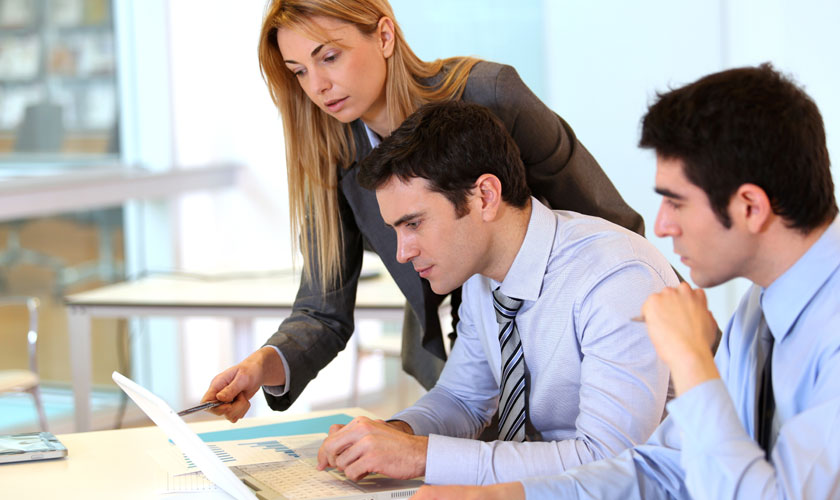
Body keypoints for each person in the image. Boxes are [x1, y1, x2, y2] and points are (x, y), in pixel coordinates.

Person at [202, 0, 645, 421]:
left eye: (330, 57)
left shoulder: (491, 95)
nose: (317, 87)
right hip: (453, 376)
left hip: (561, 352)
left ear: (385, 35)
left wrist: (673, 342)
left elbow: (612, 228)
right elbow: (323, 310)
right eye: (299, 71)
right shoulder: (331, 149)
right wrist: (263, 365)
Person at [413, 64, 840, 499]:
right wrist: (503, 496)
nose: (662, 224)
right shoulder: (759, 309)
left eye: (676, 203)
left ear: (750, 206)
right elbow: (665, 466)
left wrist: (692, 361)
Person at [312, 100, 676, 485]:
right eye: (396, 231)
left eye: (414, 224)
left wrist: (421, 456)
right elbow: (462, 400)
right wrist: (395, 434)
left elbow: (609, 462)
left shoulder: (616, 276)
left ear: (484, 196)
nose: (402, 253)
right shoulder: (481, 275)